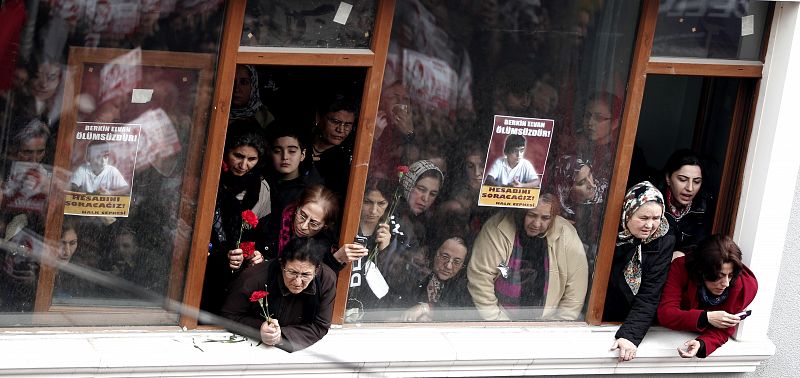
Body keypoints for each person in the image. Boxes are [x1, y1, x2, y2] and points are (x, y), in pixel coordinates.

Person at [468, 193, 588, 321]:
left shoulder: (566, 234)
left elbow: (576, 288)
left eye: (545, 218)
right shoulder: (497, 229)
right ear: (521, 212)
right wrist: (499, 323)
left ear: (553, 218)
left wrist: (557, 325)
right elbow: (481, 277)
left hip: (548, 324)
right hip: (501, 319)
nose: (536, 224)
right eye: (531, 215)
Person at [221, 237, 336, 352]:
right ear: (282, 264)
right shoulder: (254, 278)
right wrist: (258, 328)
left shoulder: (326, 279)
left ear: (316, 270)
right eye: (292, 272)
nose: (297, 282)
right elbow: (228, 316)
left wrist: (281, 337)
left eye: (305, 275)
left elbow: (320, 325)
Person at [604, 181, 675, 362]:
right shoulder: (607, 232)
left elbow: (650, 294)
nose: (650, 226)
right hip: (603, 315)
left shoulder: (664, 239)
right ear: (627, 213)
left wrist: (630, 336)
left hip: (632, 318)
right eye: (643, 218)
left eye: (656, 218)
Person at [201, 130, 270, 316]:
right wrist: (220, 252)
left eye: (251, 159)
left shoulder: (261, 188)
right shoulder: (208, 178)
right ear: (225, 151)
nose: (243, 165)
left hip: (238, 271)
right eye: (238, 156)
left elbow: (262, 233)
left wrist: (255, 254)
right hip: (202, 262)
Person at [657, 234, 758, 358]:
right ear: (702, 271)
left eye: (730, 275)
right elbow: (666, 314)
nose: (725, 283)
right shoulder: (681, 267)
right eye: (719, 276)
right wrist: (706, 317)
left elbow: (724, 329)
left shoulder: (743, 288)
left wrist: (702, 344)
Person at [256, 184, 367, 273]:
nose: (303, 226)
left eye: (313, 223)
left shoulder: (325, 245)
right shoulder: (269, 224)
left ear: (325, 225)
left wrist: (336, 259)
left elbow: (316, 282)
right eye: (302, 215)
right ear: (298, 206)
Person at [377, 160, 443, 304]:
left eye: (433, 193)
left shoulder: (429, 224)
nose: (425, 199)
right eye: (421, 189)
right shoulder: (385, 213)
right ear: (408, 184)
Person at [346, 177, 394, 321]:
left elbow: (394, 281)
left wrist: (385, 250)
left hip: (375, 311)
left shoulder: (395, 233)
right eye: (367, 202)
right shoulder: (347, 228)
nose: (373, 210)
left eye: (381, 203)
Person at [402, 237, 474, 322]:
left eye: (456, 262)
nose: (448, 266)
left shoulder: (464, 288)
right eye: (445, 257)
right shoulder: (416, 277)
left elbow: (463, 314)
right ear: (435, 254)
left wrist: (427, 308)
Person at [303, 94, 358, 197]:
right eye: (335, 122)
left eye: (347, 125)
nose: (341, 130)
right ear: (319, 118)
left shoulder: (345, 159)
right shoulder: (301, 143)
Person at [661, 149, 713, 255]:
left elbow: (702, 246)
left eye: (697, 181)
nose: (690, 188)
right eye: (682, 179)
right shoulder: (652, 202)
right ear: (668, 178)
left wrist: (682, 254)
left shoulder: (704, 207)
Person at [264, 122, 322, 214]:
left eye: (292, 151)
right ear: (270, 153)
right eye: (277, 151)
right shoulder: (262, 181)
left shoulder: (312, 190)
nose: (285, 157)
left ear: (302, 155)